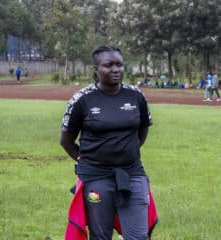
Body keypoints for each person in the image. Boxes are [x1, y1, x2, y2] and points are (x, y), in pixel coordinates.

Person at [61, 45, 157, 240]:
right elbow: (67, 141)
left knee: (138, 236)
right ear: (96, 70)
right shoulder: (81, 99)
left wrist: (125, 152)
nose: (115, 70)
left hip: (132, 173)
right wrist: (89, 161)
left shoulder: (136, 96)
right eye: (108, 65)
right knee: (100, 236)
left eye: (119, 65)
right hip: (96, 177)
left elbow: (142, 132)